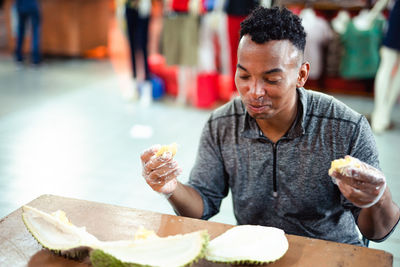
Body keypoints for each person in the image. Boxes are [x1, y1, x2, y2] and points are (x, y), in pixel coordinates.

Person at [140, 6, 400, 245]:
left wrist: (378, 198)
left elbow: (377, 232)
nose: (253, 92)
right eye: (243, 75)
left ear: (301, 75)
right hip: (257, 253)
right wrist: (171, 188)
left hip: (331, 254)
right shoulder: (222, 124)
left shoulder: (345, 127)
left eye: (271, 79)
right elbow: (202, 205)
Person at [14, 0, 41, 65]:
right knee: (35, 30)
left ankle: (18, 57)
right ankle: (35, 59)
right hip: (31, 4)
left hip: (20, 4)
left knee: (20, 30)